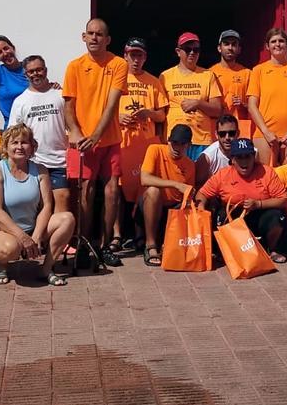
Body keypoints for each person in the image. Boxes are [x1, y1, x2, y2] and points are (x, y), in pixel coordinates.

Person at [63, 18, 128, 267]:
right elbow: (68, 106)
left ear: (107, 39)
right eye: (90, 33)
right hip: (82, 142)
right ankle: (83, 244)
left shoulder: (118, 64)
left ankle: (105, 245)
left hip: (108, 140)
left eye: (99, 34)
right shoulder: (74, 66)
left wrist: (96, 136)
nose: (94, 38)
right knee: (85, 193)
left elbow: (112, 105)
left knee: (111, 192)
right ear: (83, 37)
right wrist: (77, 132)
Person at [0, 124, 76, 286]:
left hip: (32, 228)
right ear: (5, 147)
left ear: (32, 147)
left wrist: (37, 236)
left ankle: (46, 269)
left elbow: (47, 206)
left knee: (67, 219)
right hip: (3, 230)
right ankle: (1, 265)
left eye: (24, 142)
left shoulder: (40, 170)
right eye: (14, 142)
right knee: (10, 249)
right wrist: (22, 238)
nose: (19, 147)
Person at [196, 137, 287, 263]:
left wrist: (258, 204)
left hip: (259, 213)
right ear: (233, 160)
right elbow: (201, 194)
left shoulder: (267, 172)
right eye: (239, 157)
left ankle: (272, 249)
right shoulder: (222, 175)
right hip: (232, 216)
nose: (244, 161)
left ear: (254, 157)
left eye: (247, 156)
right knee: (220, 215)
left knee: (277, 216)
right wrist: (201, 207)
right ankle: (225, 250)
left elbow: (283, 200)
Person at [118, 37, 168, 251]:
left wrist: (148, 113)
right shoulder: (116, 79)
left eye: (139, 55)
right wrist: (118, 117)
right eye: (132, 55)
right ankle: (117, 235)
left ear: (145, 57)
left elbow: (162, 115)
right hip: (121, 143)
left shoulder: (154, 81)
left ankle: (141, 236)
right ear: (125, 56)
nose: (136, 59)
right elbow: (103, 110)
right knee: (117, 190)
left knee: (144, 188)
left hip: (146, 145)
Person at [8, 55, 71, 214]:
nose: (35, 74)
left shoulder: (61, 95)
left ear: (46, 70)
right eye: (31, 71)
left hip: (59, 161)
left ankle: (59, 231)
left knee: (63, 197)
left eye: (39, 69)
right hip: (33, 162)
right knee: (40, 203)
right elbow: (13, 134)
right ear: (26, 74)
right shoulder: (20, 101)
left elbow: (72, 125)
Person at [247, 27, 287, 166]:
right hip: (264, 135)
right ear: (267, 46)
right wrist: (266, 132)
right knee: (266, 175)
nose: (277, 44)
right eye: (273, 41)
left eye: (281, 41)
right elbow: (252, 105)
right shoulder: (258, 71)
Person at [138, 124, 196, 266]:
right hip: (150, 206)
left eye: (182, 144)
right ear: (168, 140)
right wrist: (176, 184)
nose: (177, 148)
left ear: (189, 145)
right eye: (174, 142)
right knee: (153, 191)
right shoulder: (155, 150)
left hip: (173, 211)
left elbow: (188, 195)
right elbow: (144, 179)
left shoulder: (190, 165)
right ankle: (150, 245)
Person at [160, 32, 222, 161]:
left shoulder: (208, 75)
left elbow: (217, 110)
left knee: (200, 173)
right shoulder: (165, 76)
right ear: (178, 52)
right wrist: (161, 139)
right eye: (187, 49)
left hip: (200, 139)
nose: (192, 53)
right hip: (174, 141)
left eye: (196, 49)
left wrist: (198, 103)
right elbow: (160, 112)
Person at [210, 29, 253, 138]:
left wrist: (243, 104)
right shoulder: (210, 73)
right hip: (217, 128)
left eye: (234, 44)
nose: (230, 47)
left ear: (239, 49)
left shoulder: (247, 73)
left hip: (241, 129)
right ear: (219, 48)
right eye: (226, 44)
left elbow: (257, 106)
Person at [196, 114, 238, 185]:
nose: (227, 137)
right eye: (222, 134)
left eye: (231, 133)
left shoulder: (248, 153)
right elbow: (198, 186)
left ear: (238, 133)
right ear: (216, 134)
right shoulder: (207, 158)